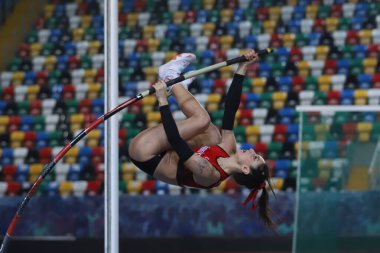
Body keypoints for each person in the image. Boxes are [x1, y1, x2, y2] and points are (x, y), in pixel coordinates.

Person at [127, 50, 274, 228]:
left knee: (202, 121)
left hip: (146, 153)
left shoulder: (208, 173)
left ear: (244, 169)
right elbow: (230, 109)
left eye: (254, 157)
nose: (252, 150)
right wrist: (242, 66)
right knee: (213, 135)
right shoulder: (228, 148)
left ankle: (171, 78)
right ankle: (179, 87)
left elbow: (176, 141)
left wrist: (162, 101)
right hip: (170, 150)